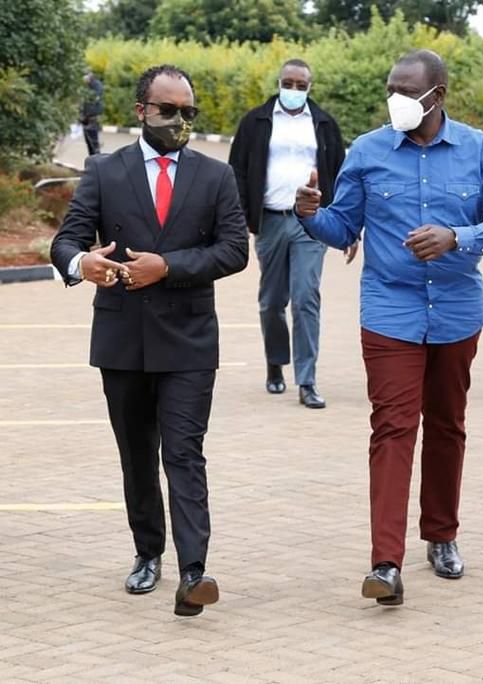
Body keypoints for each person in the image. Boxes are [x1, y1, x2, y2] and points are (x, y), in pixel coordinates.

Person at [294, 49, 483, 606]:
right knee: (393, 427)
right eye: (390, 88)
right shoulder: (369, 151)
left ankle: (442, 535)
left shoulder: (479, 150)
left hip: (456, 312)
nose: (395, 98)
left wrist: (458, 237)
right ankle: (385, 562)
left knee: (447, 425)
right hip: (390, 312)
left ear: (437, 95)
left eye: (407, 89)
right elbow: (343, 224)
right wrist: (308, 214)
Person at [50, 64, 249, 617]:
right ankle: (147, 553)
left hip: (188, 337)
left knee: (184, 453)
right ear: (141, 111)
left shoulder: (215, 177)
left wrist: (170, 266)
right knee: (138, 455)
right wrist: (78, 262)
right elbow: (67, 240)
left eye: (189, 112)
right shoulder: (103, 171)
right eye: (169, 111)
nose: (180, 121)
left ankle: (194, 572)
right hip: (123, 338)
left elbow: (235, 249)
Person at [229, 58, 355, 408]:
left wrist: (346, 227)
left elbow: (342, 178)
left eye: (302, 85)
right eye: (289, 83)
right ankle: (275, 364)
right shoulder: (255, 122)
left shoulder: (325, 124)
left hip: (311, 224)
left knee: (305, 298)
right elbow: (236, 170)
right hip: (269, 221)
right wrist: (238, 218)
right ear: (279, 82)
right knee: (272, 302)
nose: (295, 90)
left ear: (310, 88)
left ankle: (307, 380)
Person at [81, 71, 104, 156]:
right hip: (86, 119)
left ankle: (97, 164)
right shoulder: (87, 86)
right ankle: (92, 162)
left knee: (94, 143)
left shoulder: (96, 85)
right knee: (89, 143)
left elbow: (93, 101)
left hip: (93, 118)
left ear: (89, 76)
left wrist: (86, 115)